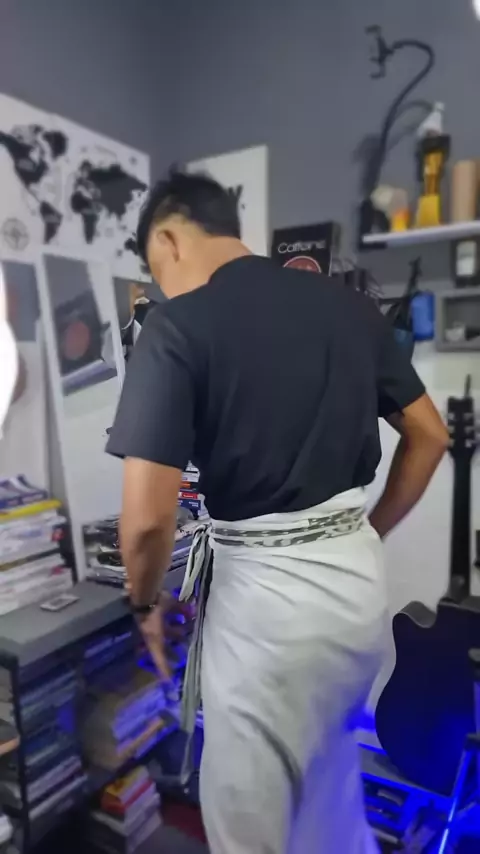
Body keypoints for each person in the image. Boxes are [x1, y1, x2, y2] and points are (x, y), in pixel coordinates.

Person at [106, 170, 448, 853]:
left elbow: (144, 522)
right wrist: (367, 530)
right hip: (355, 593)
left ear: (168, 240)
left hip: (269, 614)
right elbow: (431, 435)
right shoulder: (349, 308)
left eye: (155, 270)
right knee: (326, 795)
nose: (162, 287)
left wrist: (144, 605)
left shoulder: (175, 326)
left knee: (250, 822)